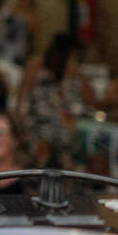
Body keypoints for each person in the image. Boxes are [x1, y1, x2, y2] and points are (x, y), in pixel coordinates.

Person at [16, 33, 95, 168]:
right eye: (72, 56)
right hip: (38, 129)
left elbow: (90, 101)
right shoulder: (38, 67)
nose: (74, 60)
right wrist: (21, 125)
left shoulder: (75, 75)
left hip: (65, 133)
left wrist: (73, 74)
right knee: (41, 156)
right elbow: (22, 99)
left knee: (69, 155)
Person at [0, 0, 37, 66]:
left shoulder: (32, 17)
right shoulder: (9, 7)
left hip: (17, 53)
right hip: (1, 47)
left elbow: (31, 37)